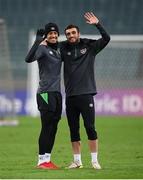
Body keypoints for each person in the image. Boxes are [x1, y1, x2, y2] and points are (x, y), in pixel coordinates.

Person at [61, 12, 110, 169]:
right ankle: (77, 161)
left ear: (78, 33)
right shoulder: (63, 48)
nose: (71, 35)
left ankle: (94, 161)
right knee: (73, 130)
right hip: (70, 96)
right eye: (68, 34)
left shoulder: (89, 46)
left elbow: (106, 39)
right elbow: (50, 45)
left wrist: (97, 24)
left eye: (73, 32)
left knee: (90, 127)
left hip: (86, 94)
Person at [25, 23, 62, 169]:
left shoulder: (58, 50)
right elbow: (28, 59)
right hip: (45, 93)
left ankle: (47, 159)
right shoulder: (42, 49)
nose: (53, 36)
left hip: (57, 93)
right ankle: (41, 161)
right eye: (50, 34)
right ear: (46, 36)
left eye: (55, 34)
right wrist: (37, 41)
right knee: (47, 126)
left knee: (54, 126)